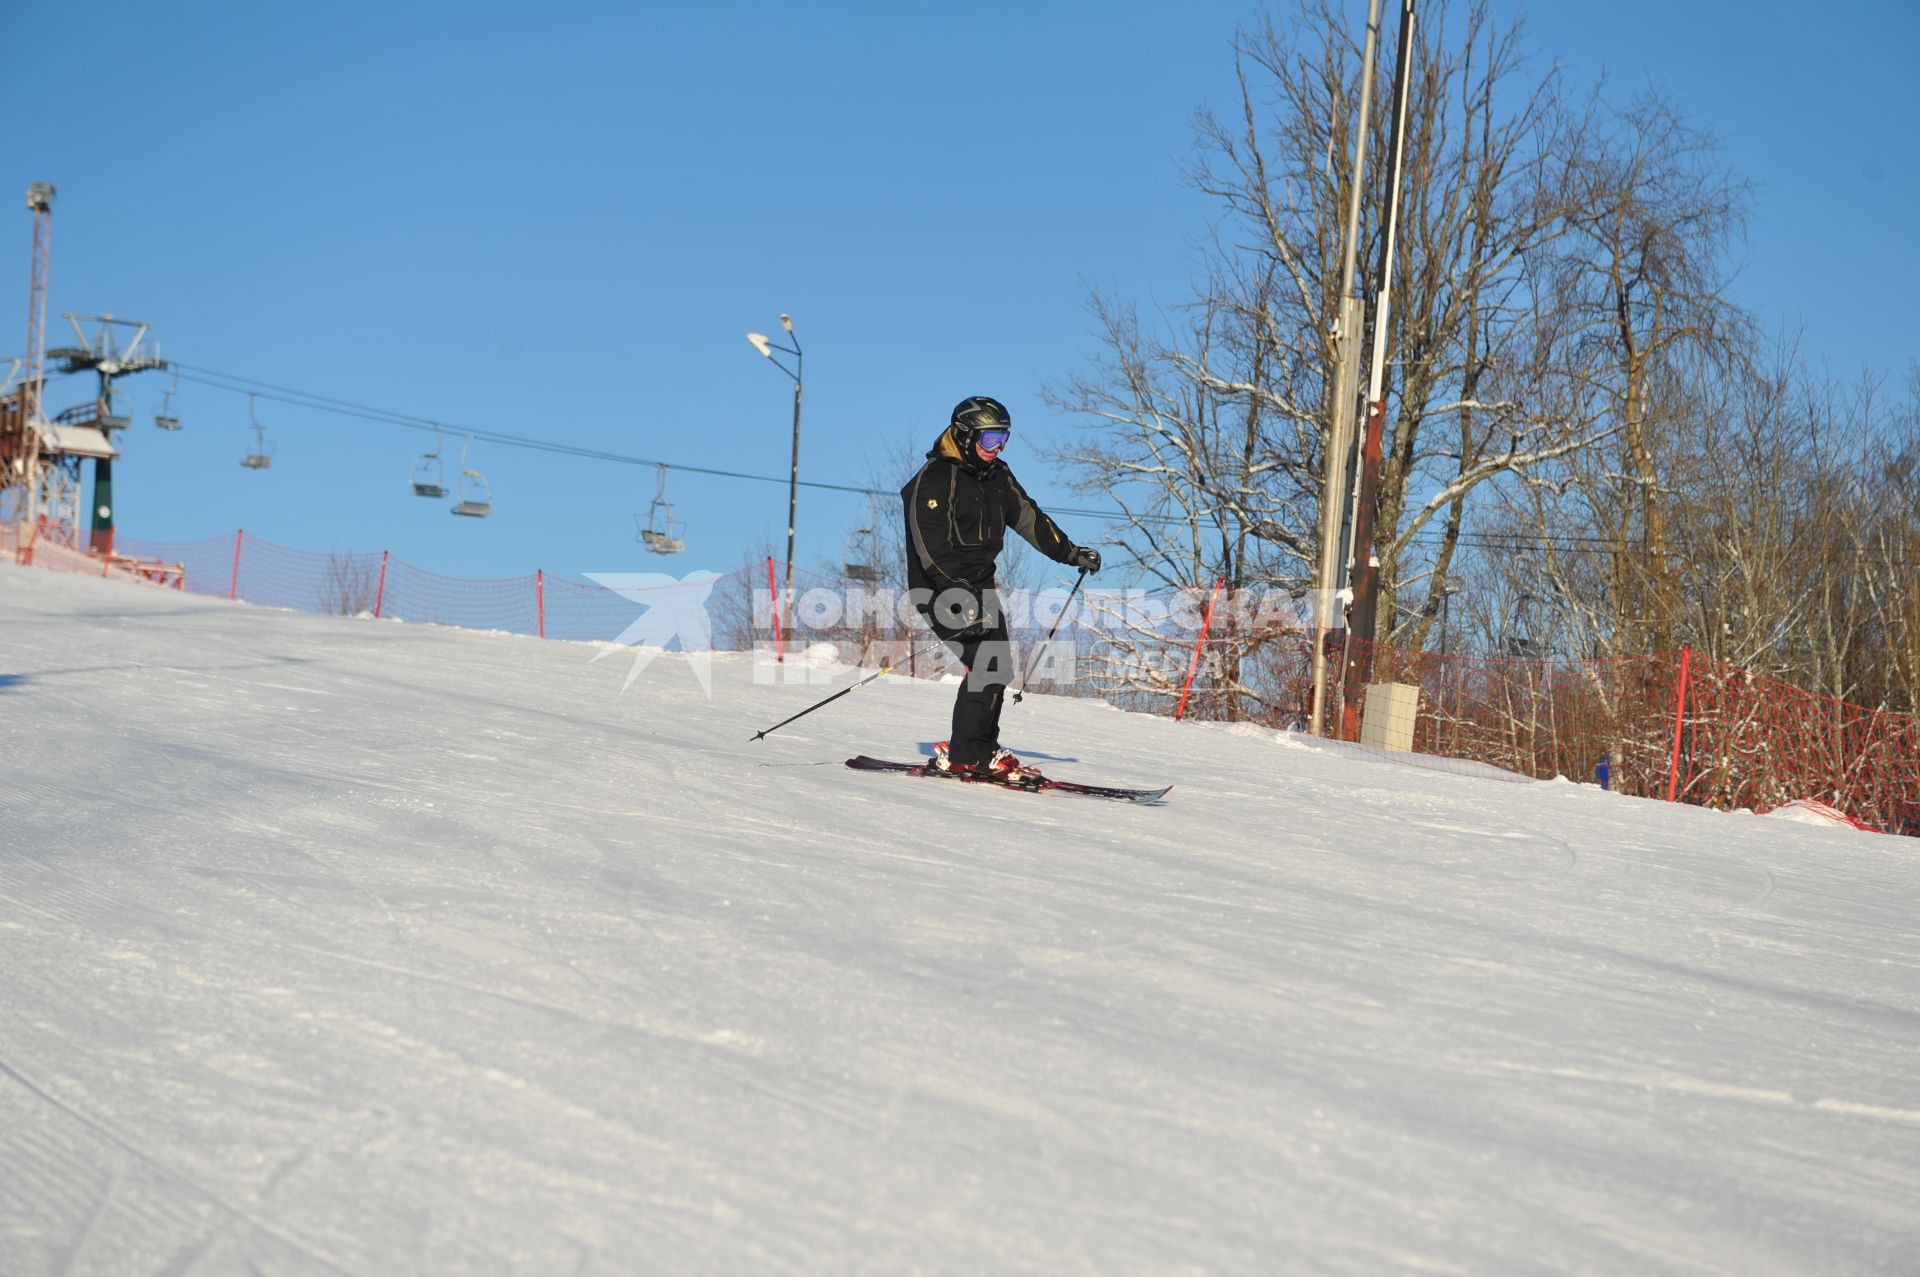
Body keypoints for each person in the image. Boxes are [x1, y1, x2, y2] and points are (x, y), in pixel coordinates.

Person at [901, 395, 1100, 779]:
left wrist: (1071, 553)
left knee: (997, 666)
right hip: (939, 587)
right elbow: (931, 548)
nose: (997, 449)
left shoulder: (997, 476)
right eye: (989, 440)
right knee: (986, 662)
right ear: (962, 435)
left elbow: (1029, 518)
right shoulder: (934, 480)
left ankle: (980, 749)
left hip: (980, 588)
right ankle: (966, 754)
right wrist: (958, 596)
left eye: (1002, 440)